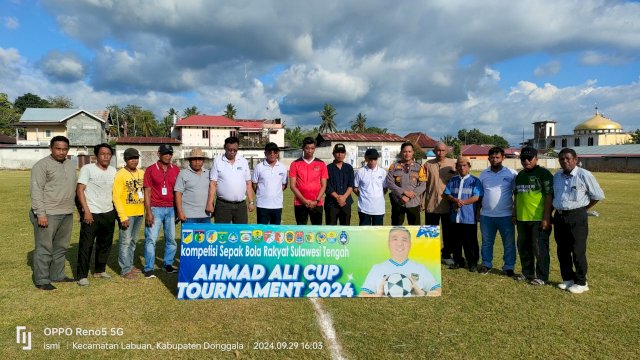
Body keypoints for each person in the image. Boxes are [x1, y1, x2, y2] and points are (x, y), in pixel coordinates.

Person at [553, 148, 605, 294]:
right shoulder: (557, 176)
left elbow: (597, 195)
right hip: (559, 216)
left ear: (575, 159)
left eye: (568, 158)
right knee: (562, 249)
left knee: (578, 249)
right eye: (562, 159)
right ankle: (568, 279)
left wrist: (582, 208)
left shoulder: (584, 175)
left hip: (577, 216)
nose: (565, 161)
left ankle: (582, 282)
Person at [29, 136, 77, 290]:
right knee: (44, 248)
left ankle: (57, 275)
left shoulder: (70, 164)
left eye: (64, 149)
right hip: (48, 214)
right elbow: (36, 190)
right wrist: (41, 214)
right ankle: (42, 280)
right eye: (58, 148)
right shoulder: (42, 165)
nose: (61, 152)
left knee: (61, 247)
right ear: (51, 148)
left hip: (66, 213)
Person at [75, 143, 117, 286]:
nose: (106, 156)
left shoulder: (113, 171)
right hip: (92, 212)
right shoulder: (87, 169)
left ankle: (100, 270)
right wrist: (85, 211)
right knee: (86, 245)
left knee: (105, 244)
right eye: (102, 154)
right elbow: (80, 190)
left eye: (108, 154)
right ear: (96, 156)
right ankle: (81, 275)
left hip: (108, 212)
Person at [360, 227, 440, 297]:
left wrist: (422, 293)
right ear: (388, 243)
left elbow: (438, 291)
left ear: (410, 244)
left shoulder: (420, 268)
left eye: (404, 240)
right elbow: (362, 294)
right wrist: (378, 295)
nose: (399, 243)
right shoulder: (377, 268)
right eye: (395, 239)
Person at [514, 146, 553, 286]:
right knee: (523, 247)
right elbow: (517, 195)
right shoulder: (520, 175)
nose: (526, 161)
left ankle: (542, 276)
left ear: (536, 159)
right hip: (522, 219)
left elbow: (549, 195)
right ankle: (527, 272)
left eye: (529, 158)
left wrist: (546, 217)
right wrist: (515, 214)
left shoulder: (543, 173)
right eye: (523, 158)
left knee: (539, 248)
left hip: (538, 219)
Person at [478, 146, 518, 276]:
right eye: (492, 157)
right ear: (488, 158)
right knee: (487, 242)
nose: (495, 160)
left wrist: (514, 212)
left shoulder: (511, 173)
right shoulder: (483, 174)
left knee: (509, 243)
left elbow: (516, 194)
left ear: (503, 158)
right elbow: (480, 195)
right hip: (486, 216)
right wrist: (478, 211)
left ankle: (508, 267)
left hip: (506, 216)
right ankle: (486, 264)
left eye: (497, 157)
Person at [143, 144, 180, 278]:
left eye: (170, 153)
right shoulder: (150, 170)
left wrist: (177, 210)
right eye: (165, 153)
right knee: (151, 239)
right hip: (155, 208)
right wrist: (148, 212)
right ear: (158, 154)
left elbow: (178, 192)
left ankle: (167, 265)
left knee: (171, 239)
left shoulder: (176, 170)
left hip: (171, 209)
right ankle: (149, 268)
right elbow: (147, 192)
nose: (168, 156)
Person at [444, 157, 483, 272]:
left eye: (465, 165)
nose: (462, 167)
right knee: (456, 241)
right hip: (454, 217)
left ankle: (472, 262)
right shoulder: (453, 180)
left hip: (469, 217)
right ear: (456, 167)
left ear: (469, 166)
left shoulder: (475, 181)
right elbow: (447, 193)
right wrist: (455, 200)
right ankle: (458, 261)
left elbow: (476, 196)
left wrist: (463, 202)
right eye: (459, 165)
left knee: (470, 242)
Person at [206, 136, 255, 223]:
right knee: (222, 233)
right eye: (229, 149)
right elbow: (213, 184)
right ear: (224, 147)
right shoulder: (217, 161)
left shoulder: (243, 161)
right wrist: (210, 203)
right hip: (222, 205)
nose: (232, 152)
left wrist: (251, 202)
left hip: (241, 205)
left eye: (235, 150)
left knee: (241, 233)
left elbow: (248, 183)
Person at [422, 142, 457, 265]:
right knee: (431, 231)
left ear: (447, 151)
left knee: (448, 232)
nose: (440, 153)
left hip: (448, 205)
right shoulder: (427, 165)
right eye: (438, 150)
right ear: (434, 151)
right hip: (431, 204)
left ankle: (446, 255)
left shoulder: (453, 164)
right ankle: (431, 255)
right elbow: (422, 185)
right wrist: (422, 202)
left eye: (443, 150)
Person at [112, 147, 144, 280]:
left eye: (136, 158)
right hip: (127, 214)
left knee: (133, 241)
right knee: (125, 241)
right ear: (125, 160)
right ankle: (125, 269)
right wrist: (122, 216)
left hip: (139, 212)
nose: (134, 161)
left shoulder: (141, 173)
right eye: (131, 158)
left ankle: (130, 265)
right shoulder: (120, 174)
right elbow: (116, 197)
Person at [289, 137, 328, 225]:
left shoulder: (321, 164)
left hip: (317, 203)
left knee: (317, 231)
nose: (309, 151)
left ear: (315, 149)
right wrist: (304, 201)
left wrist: (316, 201)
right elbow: (292, 186)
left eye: (312, 148)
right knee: (301, 231)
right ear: (303, 148)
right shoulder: (295, 164)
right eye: (307, 148)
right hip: (300, 203)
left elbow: (324, 185)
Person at [386, 142, 427, 226]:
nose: (407, 154)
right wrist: (404, 192)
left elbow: (423, 185)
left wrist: (409, 196)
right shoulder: (393, 167)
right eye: (405, 151)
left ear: (413, 152)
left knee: (414, 229)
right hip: (398, 201)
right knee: (396, 229)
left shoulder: (419, 167)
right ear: (401, 152)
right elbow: (390, 183)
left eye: (409, 151)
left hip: (413, 202)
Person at [252, 142, 288, 225]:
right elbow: (254, 184)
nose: (272, 154)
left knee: (275, 231)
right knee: (261, 230)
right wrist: (262, 193)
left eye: (275, 152)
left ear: (277, 153)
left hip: (277, 205)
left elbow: (284, 185)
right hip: (262, 204)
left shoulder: (283, 168)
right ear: (265, 153)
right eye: (269, 152)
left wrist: (276, 193)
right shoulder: (259, 167)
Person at [175, 148, 211, 224]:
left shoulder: (209, 173)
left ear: (203, 160)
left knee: (207, 236)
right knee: (189, 236)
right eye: (194, 159)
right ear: (189, 160)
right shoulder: (183, 174)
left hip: (206, 215)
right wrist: (180, 212)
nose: (197, 162)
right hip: (188, 216)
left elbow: (212, 192)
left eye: (200, 159)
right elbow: (178, 194)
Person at [353, 149, 388, 226]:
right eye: (370, 158)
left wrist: (377, 196)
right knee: (364, 234)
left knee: (377, 234)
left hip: (379, 209)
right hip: (363, 208)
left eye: (374, 159)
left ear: (377, 159)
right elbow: (355, 187)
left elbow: (385, 188)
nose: (372, 161)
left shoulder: (383, 172)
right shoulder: (360, 172)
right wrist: (362, 196)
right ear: (366, 158)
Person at [324, 143, 354, 225]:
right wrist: (337, 197)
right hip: (331, 203)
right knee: (331, 230)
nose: (340, 155)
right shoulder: (327, 168)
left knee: (345, 229)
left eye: (342, 152)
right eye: (337, 152)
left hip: (346, 202)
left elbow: (351, 184)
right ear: (333, 154)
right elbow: (326, 186)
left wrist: (343, 197)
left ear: (345, 154)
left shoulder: (349, 168)